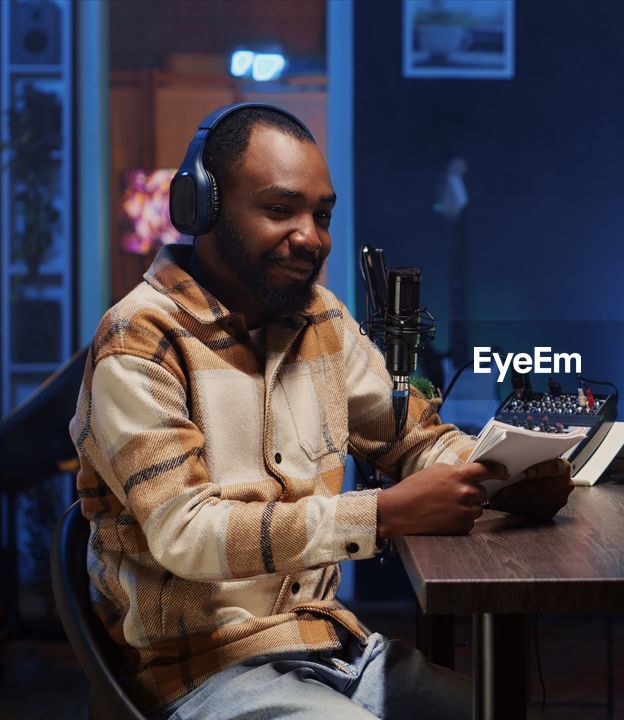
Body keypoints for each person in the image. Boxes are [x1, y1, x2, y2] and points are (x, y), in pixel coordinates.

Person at [69, 104, 573, 719]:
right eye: (281, 210)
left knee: (503, 712)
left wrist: (501, 477)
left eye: (322, 215)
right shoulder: (140, 342)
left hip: (334, 649)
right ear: (202, 207)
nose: (312, 236)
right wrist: (383, 514)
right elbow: (187, 533)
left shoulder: (320, 320)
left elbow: (410, 437)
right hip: (201, 673)